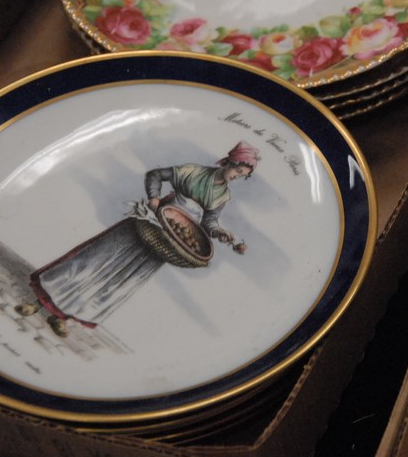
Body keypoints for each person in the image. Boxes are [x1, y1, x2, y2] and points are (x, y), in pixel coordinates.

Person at [15, 141, 259, 337]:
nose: (237, 176)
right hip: (151, 222)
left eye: (242, 175)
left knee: (120, 279)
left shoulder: (222, 196)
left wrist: (220, 232)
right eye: (238, 170)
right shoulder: (194, 171)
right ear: (230, 161)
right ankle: (37, 304)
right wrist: (154, 198)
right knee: (95, 260)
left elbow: (208, 223)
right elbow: (155, 174)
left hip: (171, 241)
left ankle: (62, 318)